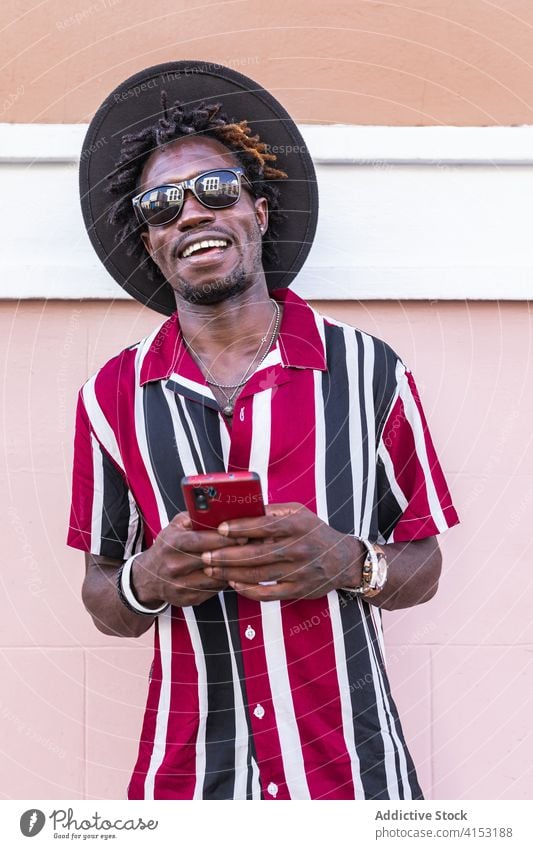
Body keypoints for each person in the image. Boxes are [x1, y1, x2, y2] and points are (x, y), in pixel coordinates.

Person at [68, 61, 459, 801]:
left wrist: (348, 561)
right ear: (151, 242)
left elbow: (423, 562)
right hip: (187, 782)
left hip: (349, 775)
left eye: (215, 189)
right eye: (160, 206)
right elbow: (101, 595)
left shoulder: (369, 371)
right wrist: (147, 579)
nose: (190, 213)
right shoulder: (107, 397)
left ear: (258, 211)